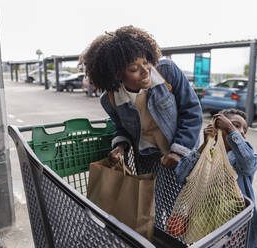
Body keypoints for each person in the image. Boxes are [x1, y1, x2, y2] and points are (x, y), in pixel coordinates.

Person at [82, 25, 203, 228]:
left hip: (182, 153)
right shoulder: (110, 99)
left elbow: (192, 112)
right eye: (133, 69)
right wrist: (120, 146)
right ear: (116, 75)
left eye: (146, 62)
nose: (145, 70)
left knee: (182, 211)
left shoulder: (168, 72)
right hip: (147, 158)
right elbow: (121, 127)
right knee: (152, 211)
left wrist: (179, 151)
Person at [175, 108, 257, 248]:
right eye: (236, 125)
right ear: (217, 128)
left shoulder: (241, 157)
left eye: (244, 130)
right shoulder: (208, 154)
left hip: (234, 225)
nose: (241, 132)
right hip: (204, 220)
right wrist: (204, 145)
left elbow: (249, 164)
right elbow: (181, 175)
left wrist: (231, 130)